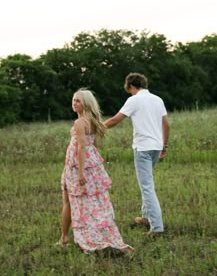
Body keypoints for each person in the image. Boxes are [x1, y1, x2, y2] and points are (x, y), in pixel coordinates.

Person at [58, 88, 134, 254]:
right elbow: (94, 145)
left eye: (78, 100)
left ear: (85, 103)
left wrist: (80, 173)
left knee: (69, 201)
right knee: (93, 202)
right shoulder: (93, 121)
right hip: (90, 165)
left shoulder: (80, 123)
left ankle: (65, 238)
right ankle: (65, 237)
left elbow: (81, 147)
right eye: (73, 99)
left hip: (78, 166)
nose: (74, 103)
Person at [103, 73, 170, 236]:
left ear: (131, 86)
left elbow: (114, 120)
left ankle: (157, 227)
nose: (130, 93)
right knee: (147, 182)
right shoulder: (157, 99)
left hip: (143, 148)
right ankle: (146, 217)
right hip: (156, 146)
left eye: (129, 90)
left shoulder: (134, 100)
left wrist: (96, 128)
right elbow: (166, 125)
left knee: (147, 187)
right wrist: (164, 145)